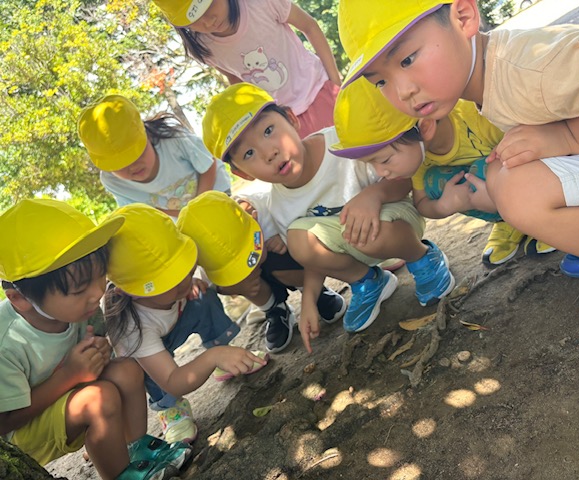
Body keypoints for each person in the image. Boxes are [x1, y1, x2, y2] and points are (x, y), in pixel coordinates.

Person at [336, 0, 579, 349]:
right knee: (507, 172)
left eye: (407, 59)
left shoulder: (531, 66)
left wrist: (568, 136)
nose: (402, 91)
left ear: (464, 16)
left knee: (517, 188)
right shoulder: (488, 81)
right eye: (380, 81)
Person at [201, 82, 455, 353]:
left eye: (268, 131)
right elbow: (311, 258)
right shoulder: (279, 205)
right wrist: (309, 300)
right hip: (352, 244)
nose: (268, 152)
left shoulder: (343, 143)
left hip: (395, 223)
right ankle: (367, 282)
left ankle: (423, 257)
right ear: (242, 173)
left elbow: (406, 176)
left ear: (291, 118)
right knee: (299, 240)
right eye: (249, 154)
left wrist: (375, 195)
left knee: (365, 233)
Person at [0, 199, 192, 480]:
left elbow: (104, 357)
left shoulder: (84, 310)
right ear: (19, 298)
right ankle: (120, 475)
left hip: (71, 394)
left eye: (100, 277)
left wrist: (100, 352)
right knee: (99, 399)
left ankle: (135, 450)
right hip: (26, 432)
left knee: (126, 369)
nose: (97, 293)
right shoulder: (8, 342)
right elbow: (5, 422)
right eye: (79, 290)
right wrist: (70, 375)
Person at [332, 76, 555, 266]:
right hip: (494, 193)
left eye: (385, 160)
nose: (382, 173)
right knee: (434, 183)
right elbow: (421, 203)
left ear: (425, 127)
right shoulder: (420, 158)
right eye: (372, 165)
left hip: (537, 184)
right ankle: (508, 222)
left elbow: (534, 149)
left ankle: (543, 220)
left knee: (489, 166)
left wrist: (500, 191)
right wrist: (446, 205)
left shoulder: (475, 116)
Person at [102, 203, 268, 444]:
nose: (183, 280)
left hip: (176, 318)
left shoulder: (178, 288)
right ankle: (171, 409)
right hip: (149, 354)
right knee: (145, 370)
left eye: (185, 270)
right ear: (132, 293)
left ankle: (223, 355)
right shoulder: (130, 327)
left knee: (203, 296)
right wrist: (212, 358)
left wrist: (190, 285)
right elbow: (173, 379)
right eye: (171, 281)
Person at [177, 191, 347, 354]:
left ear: (253, 217)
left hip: (282, 260)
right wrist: (216, 284)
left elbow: (309, 224)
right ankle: (275, 309)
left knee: (291, 252)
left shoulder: (271, 207)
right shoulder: (206, 255)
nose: (247, 268)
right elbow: (209, 282)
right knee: (231, 284)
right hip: (261, 281)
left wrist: (286, 237)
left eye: (247, 255)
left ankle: (314, 291)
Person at [151, 0, 341, 138]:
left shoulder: (258, 4)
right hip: (284, 123)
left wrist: (336, 82)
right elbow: (237, 84)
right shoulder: (205, 47)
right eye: (194, 19)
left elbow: (309, 26)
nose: (208, 22)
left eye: (207, 6)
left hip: (321, 91)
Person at [78, 94, 231, 218]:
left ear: (148, 136)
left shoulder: (173, 139)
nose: (132, 166)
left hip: (214, 191)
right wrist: (187, 217)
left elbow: (208, 164)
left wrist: (199, 208)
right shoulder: (112, 182)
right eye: (119, 165)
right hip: (183, 220)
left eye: (137, 154)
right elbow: (146, 215)